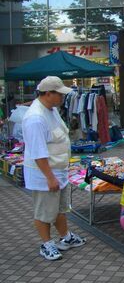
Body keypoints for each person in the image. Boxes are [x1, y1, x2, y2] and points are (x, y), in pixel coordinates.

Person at [22, 76, 86, 261]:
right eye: (59, 94)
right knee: (44, 211)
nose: (62, 98)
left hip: (58, 170)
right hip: (45, 174)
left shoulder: (51, 110)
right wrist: (49, 177)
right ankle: (46, 244)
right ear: (48, 94)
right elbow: (38, 152)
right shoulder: (36, 118)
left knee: (60, 208)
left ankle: (65, 237)